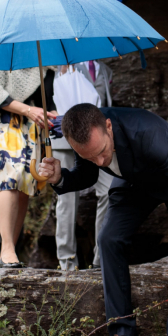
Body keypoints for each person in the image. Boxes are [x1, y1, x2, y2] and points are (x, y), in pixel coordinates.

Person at [38, 104, 168, 336]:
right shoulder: (85, 135)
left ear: (108, 126)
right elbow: (88, 172)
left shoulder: (150, 135)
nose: (100, 162)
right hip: (133, 182)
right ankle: (124, 335)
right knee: (108, 240)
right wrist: (60, 177)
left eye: (102, 152)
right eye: (90, 156)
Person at [0, 67, 57, 268]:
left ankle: (7, 253)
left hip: (29, 128)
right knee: (10, 180)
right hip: (2, 123)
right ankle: (7, 249)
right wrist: (29, 110)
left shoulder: (43, 65)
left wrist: (53, 114)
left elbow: (46, 101)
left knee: (25, 187)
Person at [51, 62, 114, 270]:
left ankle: (100, 259)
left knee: (109, 191)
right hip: (66, 141)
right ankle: (67, 262)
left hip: (98, 143)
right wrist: (62, 69)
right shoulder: (65, 61)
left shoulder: (105, 70)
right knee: (67, 201)